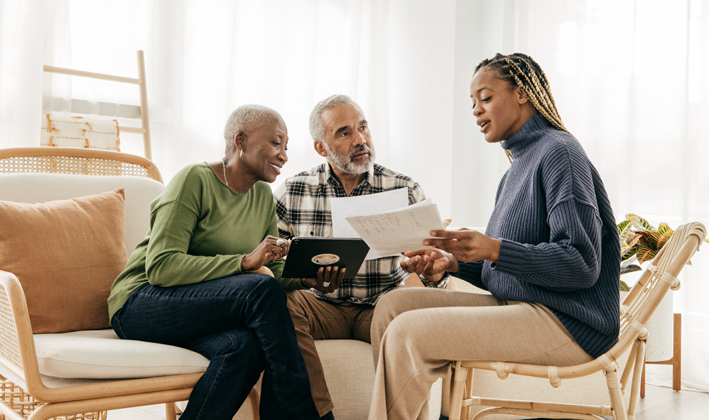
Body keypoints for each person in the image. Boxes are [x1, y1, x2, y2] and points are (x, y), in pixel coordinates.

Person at [368, 53, 621, 419]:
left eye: (485, 98)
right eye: (472, 103)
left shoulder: (560, 152)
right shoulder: (516, 168)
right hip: (524, 307)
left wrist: (494, 248)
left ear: (521, 93)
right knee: (393, 307)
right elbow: (506, 266)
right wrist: (452, 264)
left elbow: (582, 265)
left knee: (408, 331)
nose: (476, 110)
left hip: (569, 322)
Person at [107, 105, 320, 420]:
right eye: (276, 143)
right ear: (240, 140)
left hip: (199, 312)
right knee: (258, 289)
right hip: (141, 303)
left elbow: (272, 274)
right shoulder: (193, 180)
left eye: (286, 147)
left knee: (246, 347)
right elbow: (162, 267)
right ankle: (302, 414)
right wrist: (244, 262)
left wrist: (305, 278)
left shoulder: (262, 196)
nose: (284, 155)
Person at [274, 94, 448, 418]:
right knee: (275, 303)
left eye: (363, 127)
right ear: (320, 147)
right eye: (344, 132)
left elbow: (437, 266)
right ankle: (316, 414)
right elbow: (272, 261)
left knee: (407, 314)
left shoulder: (404, 188)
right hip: (320, 304)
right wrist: (303, 276)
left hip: (381, 305)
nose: (360, 139)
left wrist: (430, 271)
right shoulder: (293, 191)